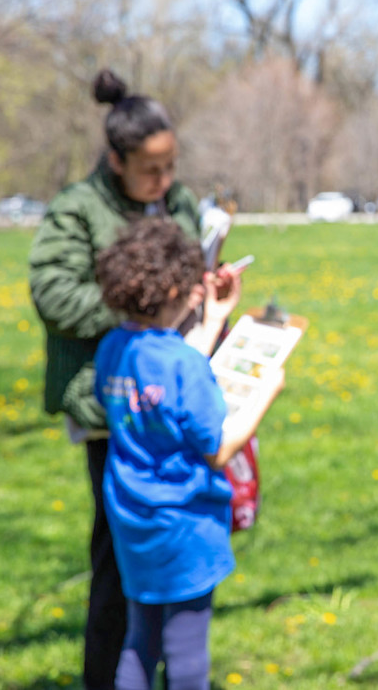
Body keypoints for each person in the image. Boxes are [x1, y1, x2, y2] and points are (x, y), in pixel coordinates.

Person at [27, 68, 227, 689]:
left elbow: (191, 258)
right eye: (151, 170)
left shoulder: (178, 201)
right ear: (116, 159)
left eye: (171, 167)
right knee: (118, 563)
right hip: (109, 404)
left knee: (174, 551)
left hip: (178, 398)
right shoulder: (76, 210)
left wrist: (203, 287)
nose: (165, 182)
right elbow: (53, 293)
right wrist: (139, 306)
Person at [93, 217, 284, 689]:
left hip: (133, 516)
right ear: (177, 290)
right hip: (185, 523)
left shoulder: (115, 347)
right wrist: (266, 392)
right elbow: (217, 450)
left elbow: (167, 368)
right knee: (186, 650)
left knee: (141, 638)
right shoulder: (179, 363)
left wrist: (217, 318)